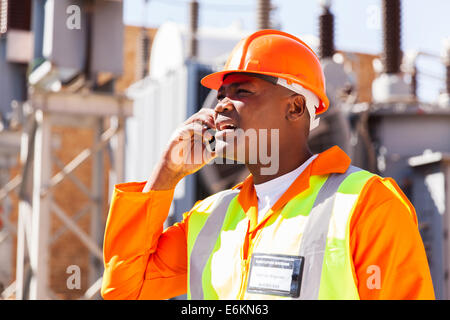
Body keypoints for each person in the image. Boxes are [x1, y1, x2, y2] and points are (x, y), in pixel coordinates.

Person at [101, 29, 435, 300]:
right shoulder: (210, 218)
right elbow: (125, 289)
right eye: (221, 96)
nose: (221, 107)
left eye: (242, 92)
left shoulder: (368, 205)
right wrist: (166, 174)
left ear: (295, 108)